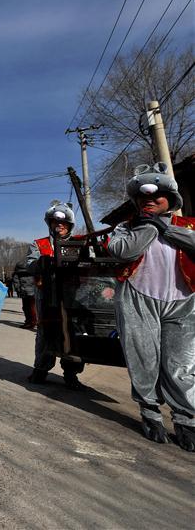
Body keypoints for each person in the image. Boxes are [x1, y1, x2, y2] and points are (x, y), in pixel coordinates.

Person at [107, 163, 194, 451]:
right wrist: (148, 225)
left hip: (183, 301)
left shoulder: (188, 226)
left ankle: (185, 419)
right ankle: (150, 412)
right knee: (144, 358)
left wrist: (165, 228)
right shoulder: (126, 228)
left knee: (180, 364)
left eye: (158, 197)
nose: (150, 200)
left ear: (171, 200)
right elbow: (122, 251)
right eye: (145, 198)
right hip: (138, 298)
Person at [25, 201, 85, 390]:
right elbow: (29, 265)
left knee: (72, 333)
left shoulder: (80, 242)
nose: (59, 225)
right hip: (46, 296)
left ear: (69, 225)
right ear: (49, 224)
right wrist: (41, 264)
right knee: (45, 333)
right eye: (55, 222)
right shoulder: (39, 244)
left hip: (73, 297)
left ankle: (71, 374)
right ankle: (41, 369)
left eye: (63, 223)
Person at [13, 259, 37, 329]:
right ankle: (35, 321)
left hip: (24, 292)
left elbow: (16, 283)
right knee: (33, 307)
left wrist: (18, 291)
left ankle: (29, 322)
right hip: (33, 291)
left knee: (26, 308)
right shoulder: (32, 271)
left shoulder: (17, 273)